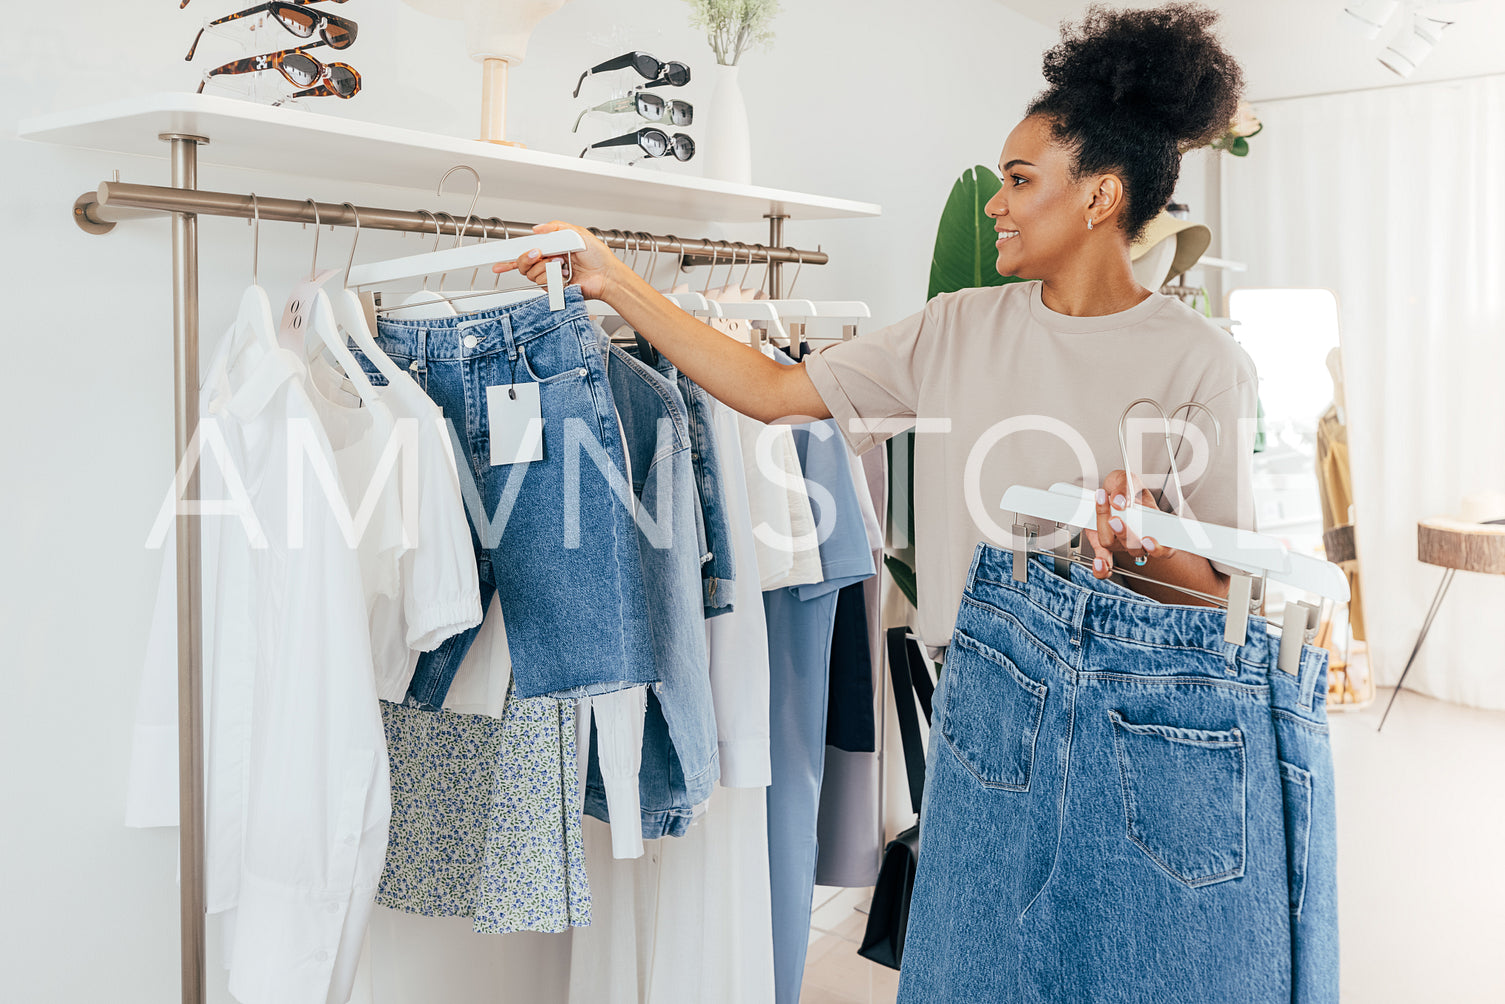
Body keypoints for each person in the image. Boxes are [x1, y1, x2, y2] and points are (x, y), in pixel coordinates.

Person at [499, 1, 1256, 656]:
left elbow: (1225, 603)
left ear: (1099, 197)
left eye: (1019, 180)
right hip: (971, 700)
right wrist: (614, 280)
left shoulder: (1200, 362)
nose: (994, 204)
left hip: (1121, 718)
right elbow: (772, 391)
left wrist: (1139, 539)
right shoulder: (954, 326)